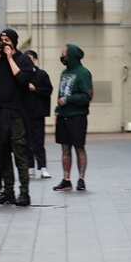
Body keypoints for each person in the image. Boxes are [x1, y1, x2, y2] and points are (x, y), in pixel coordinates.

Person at [0, 28, 35, 207]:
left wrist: (10, 57)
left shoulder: (23, 59)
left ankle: (25, 193)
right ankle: (8, 191)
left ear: (14, 42)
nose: (4, 42)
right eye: (1, 39)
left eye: (7, 40)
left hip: (17, 114)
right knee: (2, 152)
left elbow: (22, 80)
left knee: (19, 154)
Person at [53, 44, 93, 192]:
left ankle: (81, 179)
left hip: (77, 117)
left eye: (64, 53)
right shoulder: (64, 73)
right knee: (65, 149)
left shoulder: (83, 73)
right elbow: (60, 95)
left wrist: (68, 100)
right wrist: (58, 111)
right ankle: (66, 179)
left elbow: (87, 96)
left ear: (72, 56)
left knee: (79, 147)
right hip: (63, 116)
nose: (62, 56)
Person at [24, 50, 53, 180]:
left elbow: (48, 90)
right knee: (27, 142)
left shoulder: (42, 74)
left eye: (30, 59)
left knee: (39, 141)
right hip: (25, 113)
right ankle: (30, 167)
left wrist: (36, 89)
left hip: (38, 113)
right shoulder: (22, 75)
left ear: (36, 60)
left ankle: (43, 167)